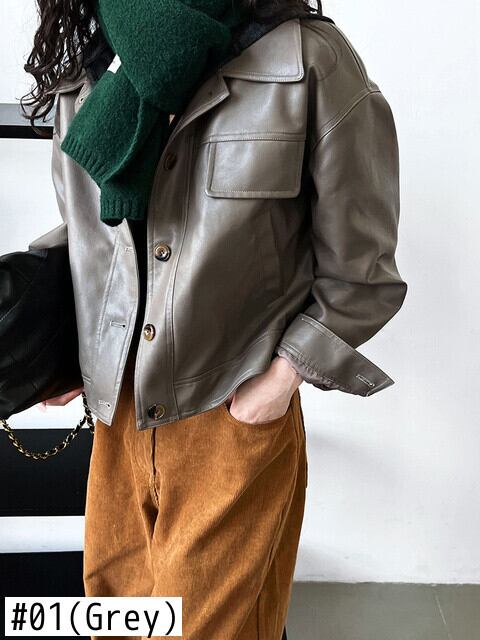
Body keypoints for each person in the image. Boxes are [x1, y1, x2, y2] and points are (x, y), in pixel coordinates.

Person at [22, 0, 407, 637]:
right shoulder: (93, 58)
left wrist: (279, 382)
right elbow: (96, 237)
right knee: (116, 622)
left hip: (230, 417)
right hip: (117, 416)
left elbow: (362, 268)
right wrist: (60, 343)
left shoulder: (307, 60)